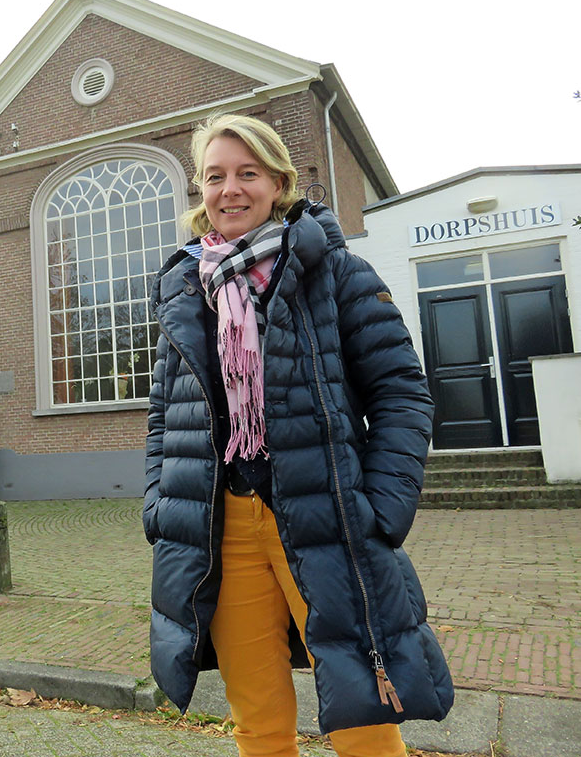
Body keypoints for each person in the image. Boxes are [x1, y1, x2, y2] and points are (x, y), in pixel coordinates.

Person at [143, 113, 453, 757]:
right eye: (215, 176)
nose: (230, 189)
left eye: (247, 173)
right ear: (200, 192)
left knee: (364, 711)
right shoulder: (186, 290)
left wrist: (381, 509)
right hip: (222, 530)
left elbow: (402, 393)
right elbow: (164, 415)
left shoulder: (337, 273)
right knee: (257, 720)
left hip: (325, 520)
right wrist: (159, 505)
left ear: (278, 182)